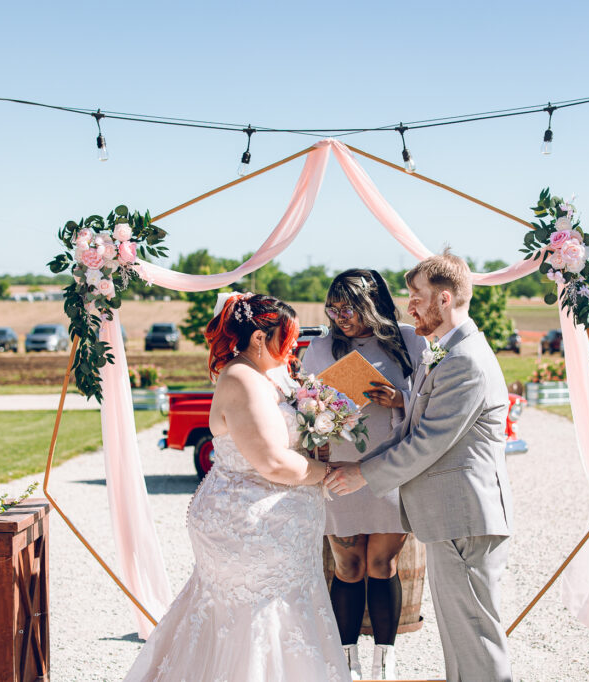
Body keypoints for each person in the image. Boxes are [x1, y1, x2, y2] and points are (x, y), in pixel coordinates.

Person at [124, 292, 350, 682]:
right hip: (251, 533)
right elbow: (272, 462)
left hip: (274, 533)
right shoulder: (242, 379)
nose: (293, 345)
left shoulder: (261, 374)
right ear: (259, 339)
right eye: (287, 337)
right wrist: (328, 471)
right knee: (256, 624)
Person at [326, 251, 514, 682]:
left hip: (465, 518)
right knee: (461, 638)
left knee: (477, 640)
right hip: (452, 519)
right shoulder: (446, 352)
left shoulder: (464, 360)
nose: (409, 306)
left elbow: (426, 442)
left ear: (445, 299)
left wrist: (362, 474)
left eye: (416, 296)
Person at [302, 269, 426, 680]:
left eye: (349, 307)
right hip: (339, 469)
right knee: (348, 567)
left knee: (382, 564)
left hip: (391, 467)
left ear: (373, 304)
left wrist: (399, 398)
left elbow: (431, 401)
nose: (341, 316)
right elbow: (300, 405)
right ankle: (347, 661)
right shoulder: (319, 348)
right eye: (333, 308)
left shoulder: (409, 340)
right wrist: (315, 421)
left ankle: (384, 663)